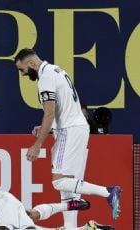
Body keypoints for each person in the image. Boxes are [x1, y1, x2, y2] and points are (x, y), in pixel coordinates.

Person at [14, 48, 121, 227]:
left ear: (31, 64)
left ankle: (108, 192)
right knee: (68, 192)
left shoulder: (45, 78)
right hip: (78, 128)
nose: (23, 74)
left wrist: (37, 144)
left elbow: (49, 113)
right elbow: (64, 109)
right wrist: (46, 129)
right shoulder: (58, 71)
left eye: (22, 69)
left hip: (68, 131)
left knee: (59, 182)